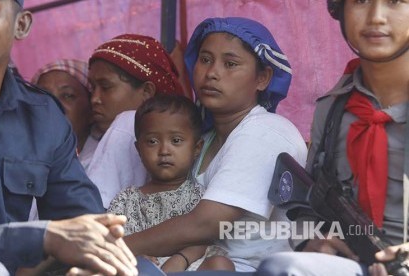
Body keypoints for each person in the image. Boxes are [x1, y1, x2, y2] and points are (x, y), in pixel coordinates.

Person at [0, 0, 134, 274]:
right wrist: (41, 236)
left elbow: (81, 215)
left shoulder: (44, 116)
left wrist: (94, 254)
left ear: (21, 25)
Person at [120, 17, 308, 272]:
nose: (212, 73)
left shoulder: (266, 131)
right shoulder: (203, 140)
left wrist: (112, 248)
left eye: (230, 64)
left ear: (262, 78)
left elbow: (205, 224)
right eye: (205, 60)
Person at [257, 0, 409, 275]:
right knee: (283, 267)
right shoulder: (333, 110)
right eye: (360, 1)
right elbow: (309, 204)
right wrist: (311, 241)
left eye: (396, 1)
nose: (376, 17)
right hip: (353, 265)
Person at [108, 94, 234, 272]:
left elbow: (208, 238)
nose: (164, 150)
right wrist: (134, 258)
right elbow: (112, 243)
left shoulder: (203, 198)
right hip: (143, 269)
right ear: (139, 149)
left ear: (196, 148)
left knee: (221, 264)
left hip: (188, 267)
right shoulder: (127, 200)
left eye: (176, 141)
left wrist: (180, 259)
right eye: (152, 141)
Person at [85, 34, 186, 208]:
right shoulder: (93, 141)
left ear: (147, 92)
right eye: (92, 88)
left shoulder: (127, 122)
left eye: (106, 87)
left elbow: (92, 210)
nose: (94, 98)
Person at [0, 214, 138, 276]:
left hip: (30, 268)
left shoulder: (48, 125)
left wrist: (97, 257)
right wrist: (42, 236)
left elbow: (79, 215)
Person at [31, 59, 100, 166]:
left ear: (91, 110)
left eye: (67, 95)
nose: (53, 105)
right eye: (43, 96)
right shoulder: (20, 158)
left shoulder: (105, 161)